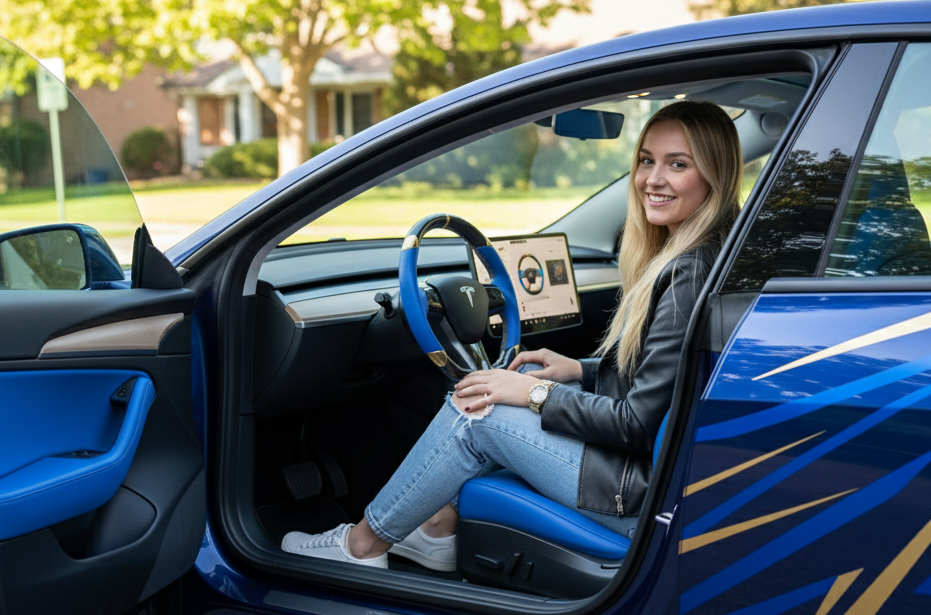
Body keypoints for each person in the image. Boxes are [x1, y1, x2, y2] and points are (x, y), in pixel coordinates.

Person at [282, 100, 743, 569]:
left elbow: (635, 424)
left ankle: (360, 547)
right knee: (495, 395)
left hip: (634, 494)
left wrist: (536, 392)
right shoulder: (718, 255)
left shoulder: (686, 273)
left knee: (476, 408)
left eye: (678, 164)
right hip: (655, 478)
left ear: (714, 175)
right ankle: (438, 529)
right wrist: (578, 370)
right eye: (646, 160)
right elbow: (666, 383)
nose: (652, 179)